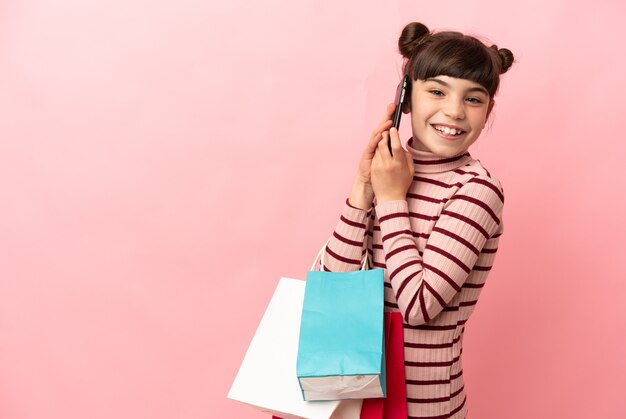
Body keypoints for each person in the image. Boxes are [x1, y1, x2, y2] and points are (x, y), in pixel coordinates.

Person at [319, 22, 514, 418]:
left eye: (473, 99)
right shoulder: (388, 170)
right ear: (405, 98)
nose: (454, 112)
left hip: (421, 408)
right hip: (351, 398)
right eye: (437, 91)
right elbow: (332, 291)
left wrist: (391, 200)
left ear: (488, 110)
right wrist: (362, 189)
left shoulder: (476, 190)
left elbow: (419, 306)